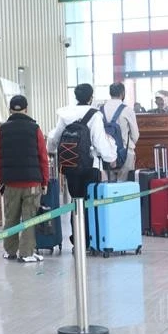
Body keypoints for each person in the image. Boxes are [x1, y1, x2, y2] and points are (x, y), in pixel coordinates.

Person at [46, 84, 117, 245]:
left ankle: (77, 238)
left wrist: (50, 150)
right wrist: (110, 158)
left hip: (70, 164)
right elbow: (100, 141)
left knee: (76, 201)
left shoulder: (66, 114)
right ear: (91, 97)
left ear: (76, 97)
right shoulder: (94, 115)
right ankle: (90, 238)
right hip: (91, 166)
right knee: (90, 201)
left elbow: (54, 138)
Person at [0, 96, 49, 263]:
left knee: (11, 218)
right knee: (29, 218)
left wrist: (0, 181)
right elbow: (43, 157)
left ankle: (10, 251)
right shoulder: (35, 129)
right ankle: (26, 253)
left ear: (10, 110)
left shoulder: (2, 130)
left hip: (10, 183)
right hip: (32, 183)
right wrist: (44, 181)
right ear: (26, 109)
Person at [101, 82, 139, 182]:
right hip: (125, 153)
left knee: (109, 188)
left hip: (106, 153)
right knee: (124, 187)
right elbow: (135, 135)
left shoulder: (100, 110)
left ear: (110, 93)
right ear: (123, 93)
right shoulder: (127, 110)